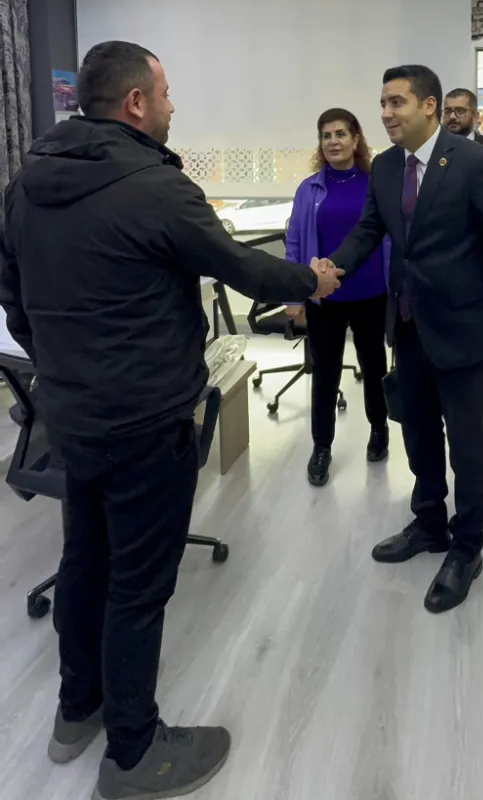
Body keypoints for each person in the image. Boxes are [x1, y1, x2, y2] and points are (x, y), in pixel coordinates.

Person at [0, 41, 341, 800]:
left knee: (86, 561)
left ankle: (76, 712)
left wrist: (62, 370)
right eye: (165, 92)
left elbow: (13, 300)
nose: (172, 105)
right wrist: (310, 279)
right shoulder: (155, 185)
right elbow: (241, 267)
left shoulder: (25, 184)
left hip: (72, 416)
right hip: (145, 421)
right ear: (135, 103)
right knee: (138, 584)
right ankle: (133, 752)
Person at [316, 66, 483, 614]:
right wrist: (332, 267)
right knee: (419, 434)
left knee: (466, 442)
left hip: (463, 331)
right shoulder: (388, 166)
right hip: (407, 327)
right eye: (383, 103)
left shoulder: (475, 162)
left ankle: (467, 546)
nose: (386, 113)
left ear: (429, 106)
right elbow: (370, 230)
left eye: (396, 103)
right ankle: (429, 521)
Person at [285, 108, 389, 487]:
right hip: (322, 297)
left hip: (372, 291)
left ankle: (379, 429)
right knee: (325, 373)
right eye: (326, 135)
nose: (333, 142)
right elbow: (295, 243)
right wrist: (294, 295)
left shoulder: (376, 183)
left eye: (341, 134)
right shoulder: (309, 189)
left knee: (374, 367)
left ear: (356, 139)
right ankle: (322, 447)